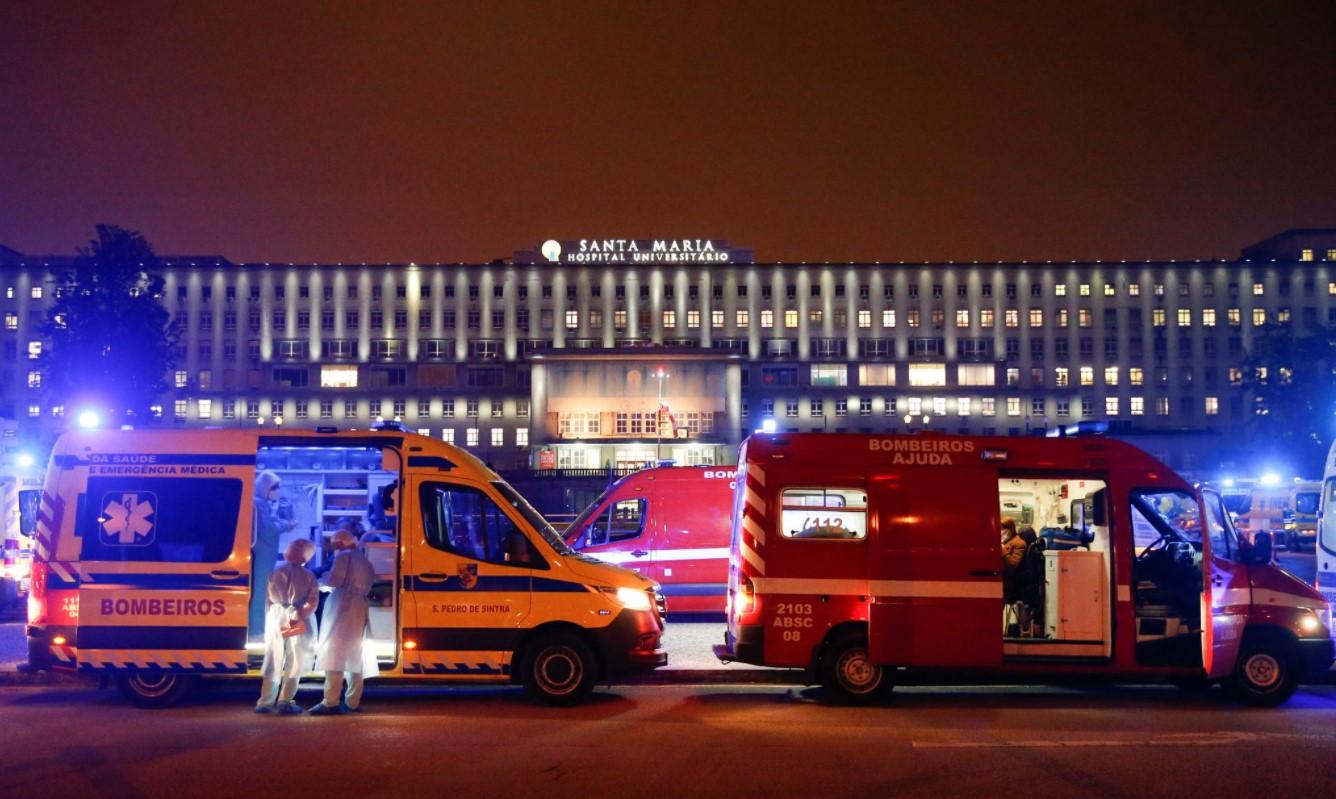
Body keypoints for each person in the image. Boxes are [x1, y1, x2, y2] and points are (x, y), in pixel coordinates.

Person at [309, 529, 379, 714]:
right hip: (359, 607)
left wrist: (318, 583)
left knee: (336, 653)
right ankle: (352, 701)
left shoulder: (343, 556)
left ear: (338, 543)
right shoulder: (364, 560)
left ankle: (330, 702)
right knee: (355, 655)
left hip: (342, 607)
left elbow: (334, 580)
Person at [255, 539, 319, 715]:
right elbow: (312, 602)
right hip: (295, 616)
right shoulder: (309, 576)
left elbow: (267, 599)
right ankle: (285, 701)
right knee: (294, 658)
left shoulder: (275, 572)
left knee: (274, 658)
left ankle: (265, 702)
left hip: (276, 616)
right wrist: (298, 615)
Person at [250, 471, 297, 635]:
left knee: (263, 592)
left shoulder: (263, 504)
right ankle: (256, 630)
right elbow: (267, 529)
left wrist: (285, 522)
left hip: (265, 556)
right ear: (265, 487)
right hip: (261, 557)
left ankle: (259, 629)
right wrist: (287, 526)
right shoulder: (257, 504)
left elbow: (272, 523)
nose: (278, 490)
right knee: (260, 593)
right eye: (275, 487)